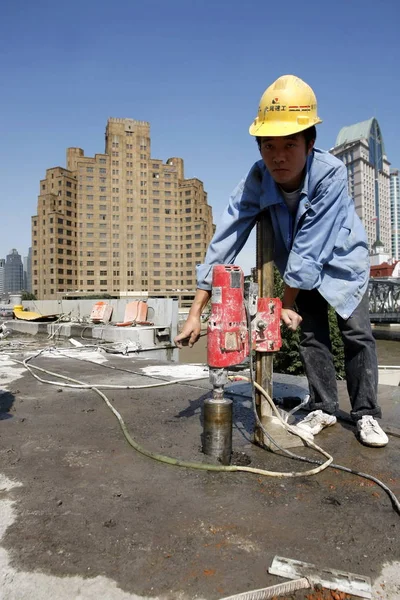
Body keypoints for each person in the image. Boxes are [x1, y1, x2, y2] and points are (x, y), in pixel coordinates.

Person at [174, 74, 388, 448]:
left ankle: (366, 413)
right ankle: (323, 407)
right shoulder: (257, 181)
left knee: (357, 335)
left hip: (341, 264)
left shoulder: (331, 174)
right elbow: (224, 241)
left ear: (310, 143)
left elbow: (311, 245)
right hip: (297, 272)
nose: (279, 156)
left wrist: (282, 304)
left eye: (290, 144)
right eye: (269, 146)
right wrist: (196, 311)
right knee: (310, 335)